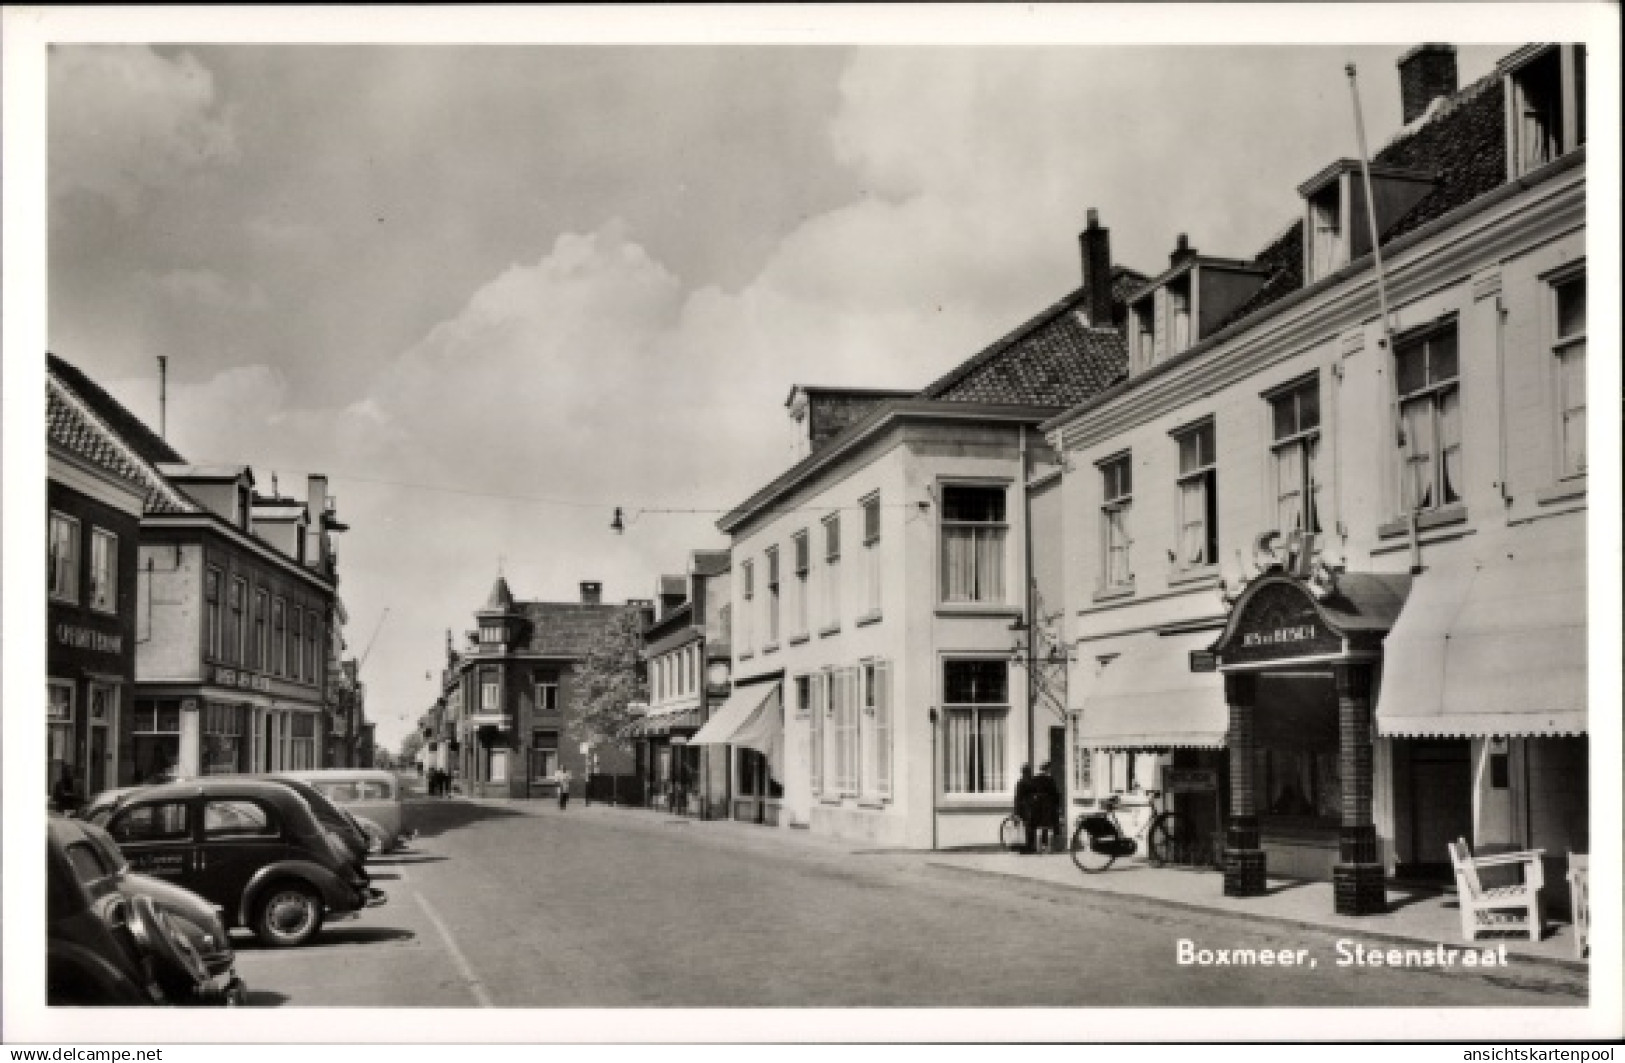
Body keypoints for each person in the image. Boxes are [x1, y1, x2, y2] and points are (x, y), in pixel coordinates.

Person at [1031, 761, 1061, 854]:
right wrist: (1057, 804)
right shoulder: (1050, 780)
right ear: (1047, 769)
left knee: (1039, 826)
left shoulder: (1034, 779)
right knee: (1049, 827)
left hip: (1037, 805)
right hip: (1048, 805)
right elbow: (1055, 794)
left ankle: (1038, 848)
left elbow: (1031, 792)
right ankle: (1049, 848)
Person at [1013, 763, 1037, 854]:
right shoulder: (1033, 782)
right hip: (1033, 806)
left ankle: (1028, 847)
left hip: (1024, 807)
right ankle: (1032, 846)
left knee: (1026, 826)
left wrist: (1016, 811)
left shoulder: (1021, 783)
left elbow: (1018, 797)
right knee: (1031, 827)